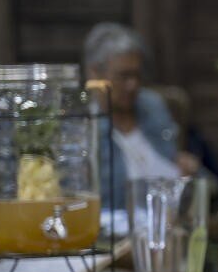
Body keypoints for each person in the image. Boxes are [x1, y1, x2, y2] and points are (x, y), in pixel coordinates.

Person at [83, 23, 195, 213]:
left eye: (137, 75)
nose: (132, 85)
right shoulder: (84, 125)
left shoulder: (152, 105)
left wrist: (185, 167)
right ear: (95, 73)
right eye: (123, 76)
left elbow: (175, 159)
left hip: (172, 216)